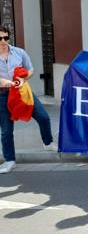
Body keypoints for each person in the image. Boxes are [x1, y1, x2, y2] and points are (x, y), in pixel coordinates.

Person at [0, 26, 57, 174]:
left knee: (43, 117)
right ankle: (9, 160)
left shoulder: (19, 52)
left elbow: (30, 69)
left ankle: (48, 142)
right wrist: (3, 82)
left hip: (23, 91)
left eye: (6, 38)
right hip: (3, 94)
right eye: (0, 38)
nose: (3, 41)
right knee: (6, 130)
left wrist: (23, 77)